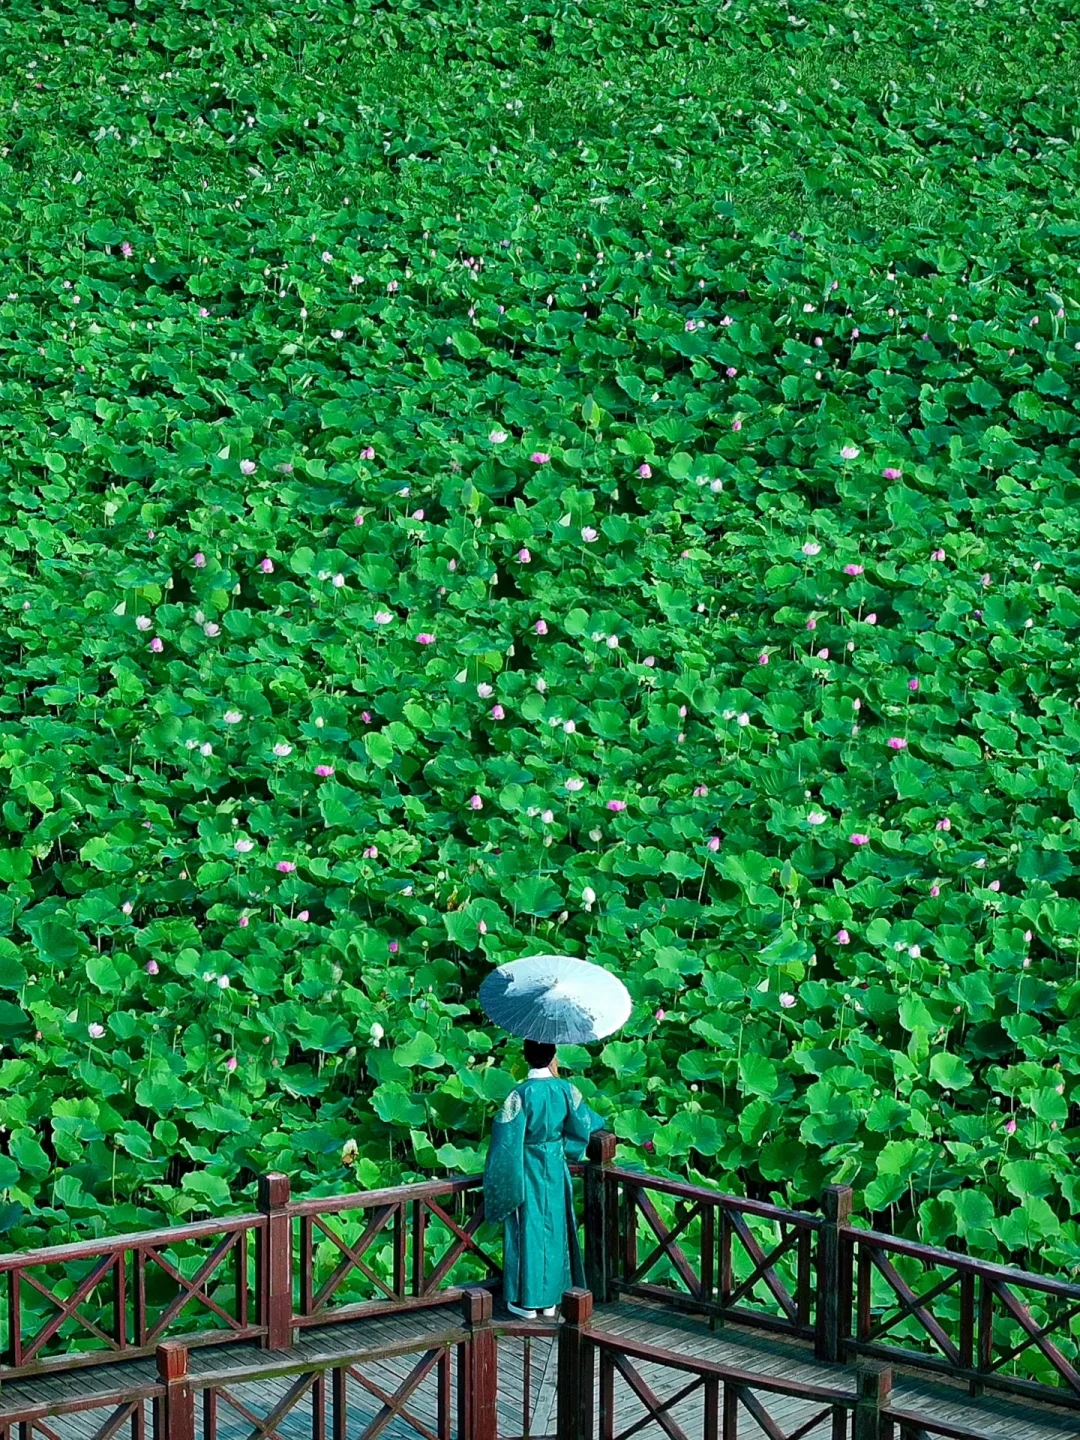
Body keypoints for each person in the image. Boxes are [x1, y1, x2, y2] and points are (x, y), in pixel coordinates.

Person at [482, 1038, 606, 1319]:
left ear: (526, 1056)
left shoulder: (519, 1095)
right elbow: (586, 1123)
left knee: (527, 1229)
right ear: (553, 1055)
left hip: (526, 1166)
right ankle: (550, 1301)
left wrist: (499, 1177)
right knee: (555, 1229)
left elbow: (505, 1140)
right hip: (555, 1164)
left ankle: (526, 1301)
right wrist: (571, 1147)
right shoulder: (566, 1090)